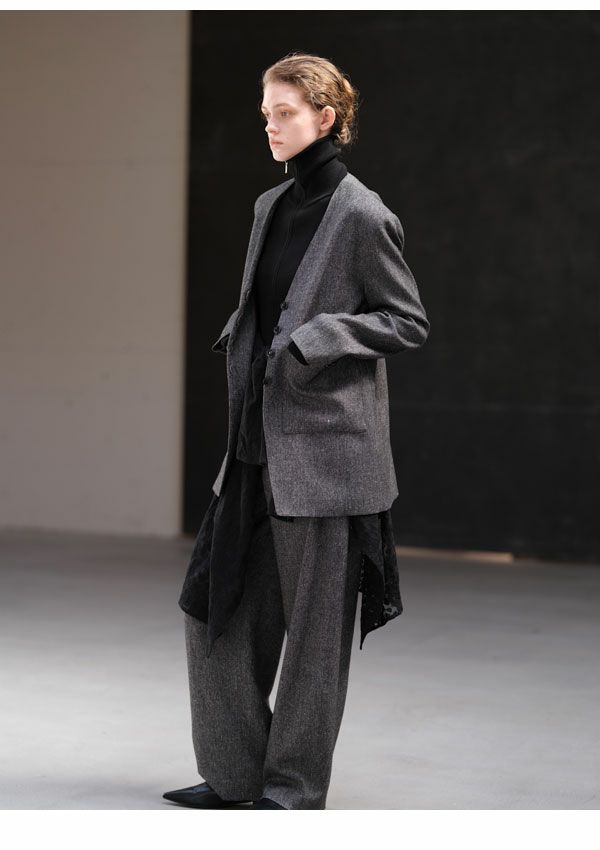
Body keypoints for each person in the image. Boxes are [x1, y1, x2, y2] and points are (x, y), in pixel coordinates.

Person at [164, 52, 430, 811]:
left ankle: (293, 787)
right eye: (266, 115)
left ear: (326, 117)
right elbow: (268, 300)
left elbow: (407, 320)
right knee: (213, 609)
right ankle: (234, 775)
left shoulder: (362, 214)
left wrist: (319, 337)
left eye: (284, 113)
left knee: (315, 637)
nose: (271, 127)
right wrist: (247, 336)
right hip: (255, 443)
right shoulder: (269, 206)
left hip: (326, 454)